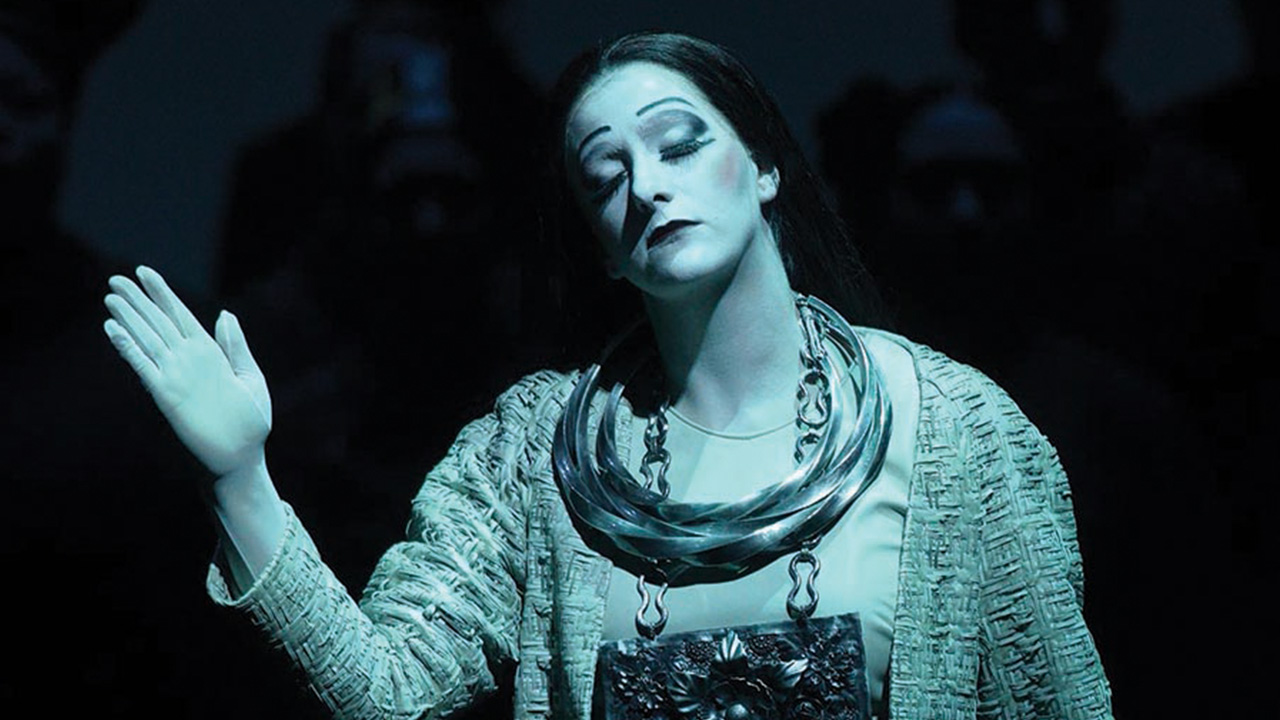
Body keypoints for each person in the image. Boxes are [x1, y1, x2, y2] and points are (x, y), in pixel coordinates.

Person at [103, 31, 1112, 719]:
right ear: (600, 247)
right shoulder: (532, 455)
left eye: (678, 143)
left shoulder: (953, 428)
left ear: (764, 166)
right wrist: (241, 479)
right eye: (605, 174)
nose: (648, 185)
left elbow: (1057, 697)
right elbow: (386, 692)